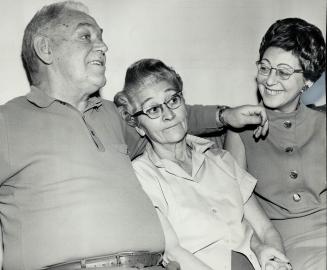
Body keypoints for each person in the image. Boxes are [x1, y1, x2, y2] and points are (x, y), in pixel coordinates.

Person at [0, 1, 270, 270]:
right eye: (86, 36)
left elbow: (168, 116)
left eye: (102, 37)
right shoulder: (7, 122)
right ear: (45, 49)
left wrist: (224, 116)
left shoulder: (111, 115)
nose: (103, 47)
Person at [114, 58, 292, 270]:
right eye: (153, 109)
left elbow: (265, 229)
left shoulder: (222, 160)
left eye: (173, 100)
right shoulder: (142, 177)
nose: (169, 114)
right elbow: (172, 251)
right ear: (139, 127)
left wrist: (274, 258)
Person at [224, 18, 326, 270]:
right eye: (264, 68)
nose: (269, 81)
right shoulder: (240, 130)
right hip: (283, 246)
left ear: (308, 81)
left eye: (283, 72)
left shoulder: (323, 125)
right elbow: (232, 202)